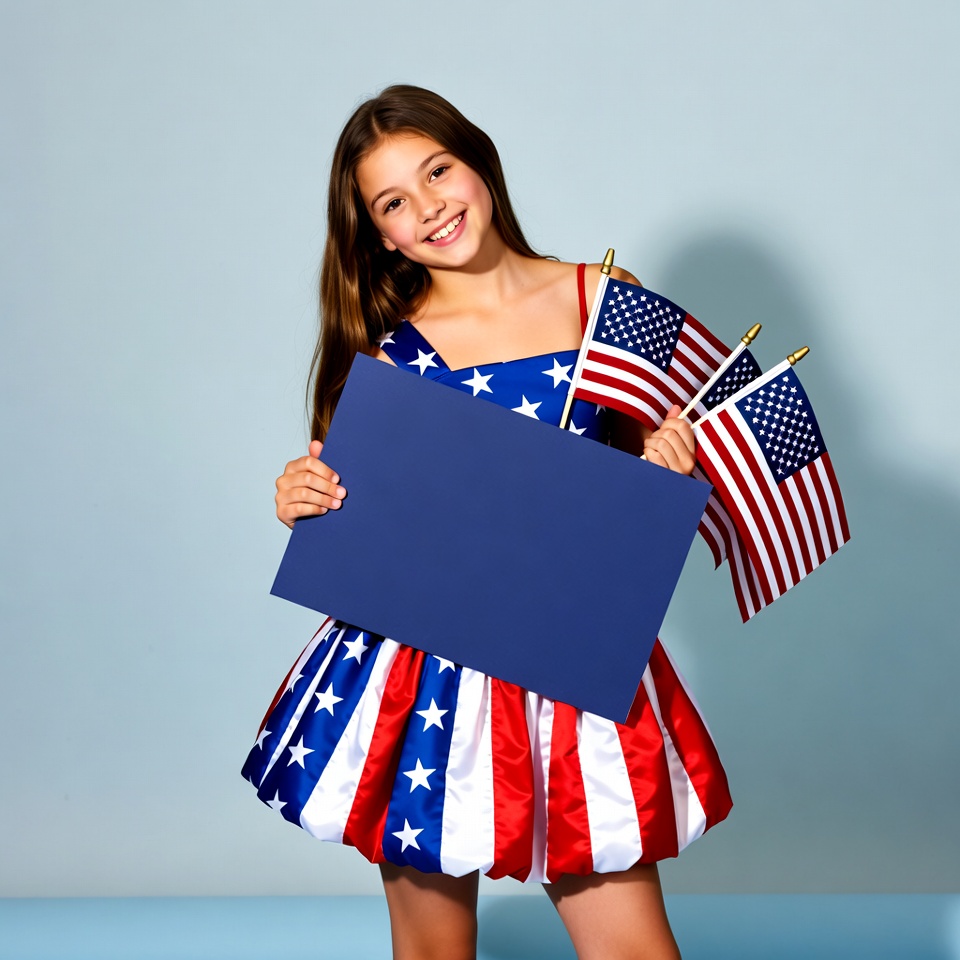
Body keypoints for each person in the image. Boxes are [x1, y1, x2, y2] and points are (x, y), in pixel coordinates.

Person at [244, 85, 732, 960]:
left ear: (479, 163)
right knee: (432, 949)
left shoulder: (605, 300)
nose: (429, 206)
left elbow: (638, 517)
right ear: (379, 233)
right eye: (395, 200)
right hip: (417, 672)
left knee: (630, 947)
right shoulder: (388, 349)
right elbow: (361, 512)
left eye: (438, 170)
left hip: (572, 658)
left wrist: (667, 466)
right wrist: (303, 498)